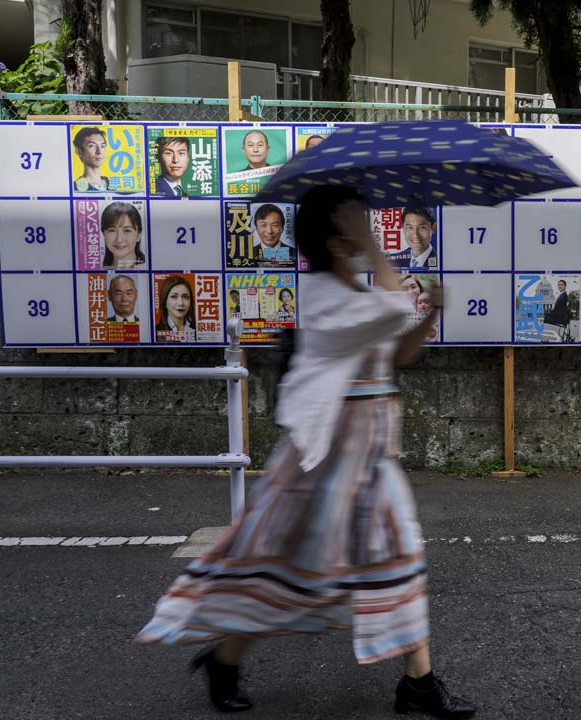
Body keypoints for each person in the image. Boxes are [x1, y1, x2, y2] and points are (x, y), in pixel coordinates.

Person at [136, 185, 475, 719]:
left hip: (372, 459)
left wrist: (430, 313)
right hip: (322, 463)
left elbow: (403, 350)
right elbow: (392, 312)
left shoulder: (359, 294)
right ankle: (224, 658)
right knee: (291, 574)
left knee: (401, 559)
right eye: (360, 225)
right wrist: (387, 262)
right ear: (337, 241)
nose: (372, 233)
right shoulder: (321, 295)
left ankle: (420, 684)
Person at [101, 202, 146, 270]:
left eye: (127, 230)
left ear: (139, 235)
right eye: (112, 230)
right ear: (104, 234)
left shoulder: (148, 269)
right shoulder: (99, 272)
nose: (119, 239)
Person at [155, 275, 195, 340]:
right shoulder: (156, 331)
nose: (181, 303)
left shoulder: (197, 328)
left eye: (185, 297)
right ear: (165, 301)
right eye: (174, 297)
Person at [73, 127, 108, 192]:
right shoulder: (75, 188)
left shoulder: (113, 184)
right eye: (92, 146)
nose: (99, 151)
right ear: (79, 151)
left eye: (102, 146)